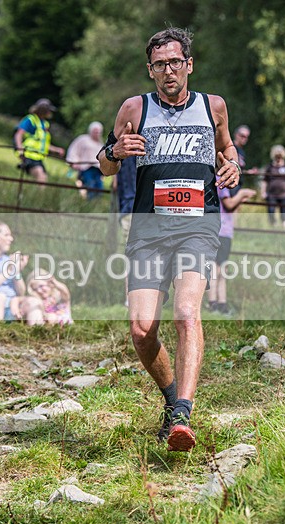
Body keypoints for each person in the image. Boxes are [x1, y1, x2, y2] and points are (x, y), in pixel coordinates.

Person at [97, 27, 241, 452]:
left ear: (189, 65)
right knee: (142, 331)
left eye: (175, 62)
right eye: (159, 65)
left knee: (185, 313)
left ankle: (183, 413)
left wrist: (234, 166)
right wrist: (117, 151)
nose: (168, 71)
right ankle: (170, 395)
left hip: (197, 226)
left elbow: (228, 149)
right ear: (150, 70)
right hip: (148, 231)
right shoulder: (134, 108)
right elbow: (104, 166)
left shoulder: (212, 107)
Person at [207, 183, 256, 315]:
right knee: (216, 269)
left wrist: (239, 199)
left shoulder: (220, 181)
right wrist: (242, 193)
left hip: (224, 231)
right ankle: (213, 303)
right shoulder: (221, 181)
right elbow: (228, 204)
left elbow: (233, 211)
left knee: (223, 269)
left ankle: (221, 304)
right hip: (220, 231)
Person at [14, 98, 65, 183]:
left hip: (38, 157)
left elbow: (43, 143)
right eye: (49, 110)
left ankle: (37, 195)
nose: (50, 113)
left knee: (43, 178)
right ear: (43, 110)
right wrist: (20, 150)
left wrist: (56, 150)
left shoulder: (45, 124)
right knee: (41, 176)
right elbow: (18, 134)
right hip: (28, 155)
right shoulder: (30, 120)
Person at [114, 155, 137, 305]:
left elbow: (115, 185)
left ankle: (130, 298)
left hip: (127, 208)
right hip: (146, 208)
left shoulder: (120, 151)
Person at [260, 144, 285, 229]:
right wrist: (263, 192)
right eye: (277, 156)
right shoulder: (269, 167)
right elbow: (264, 181)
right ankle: (274, 229)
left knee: (284, 213)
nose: (278, 158)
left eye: (280, 156)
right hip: (271, 194)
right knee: (271, 211)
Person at [66, 121, 105, 199]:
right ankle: (89, 201)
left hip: (97, 170)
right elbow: (74, 150)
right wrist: (74, 162)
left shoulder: (100, 144)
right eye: (95, 131)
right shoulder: (83, 139)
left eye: (98, 132)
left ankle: (95, 204)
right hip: (86, 168)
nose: (97, 133)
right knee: (90, 185)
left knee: (99, 187)